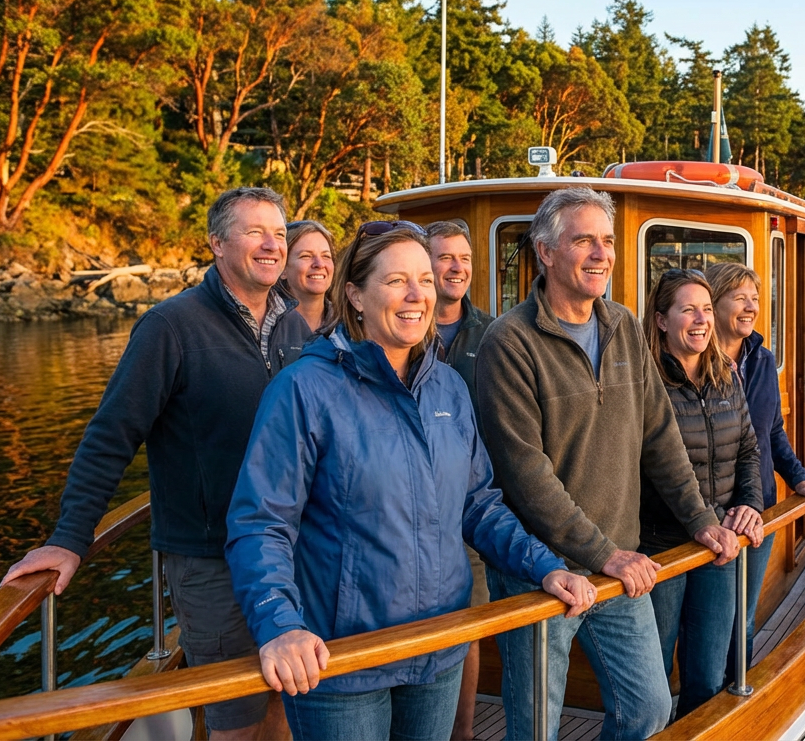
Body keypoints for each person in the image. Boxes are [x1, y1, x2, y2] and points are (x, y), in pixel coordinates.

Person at [225, 222, 597, 741]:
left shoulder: (447, 387)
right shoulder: (303, 390)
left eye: (424, 278)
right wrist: (280, 625)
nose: (417, 294)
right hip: (344, 660)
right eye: (397, 280)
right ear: (354, 295)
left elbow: (477, 504)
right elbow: (261, 523)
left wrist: (543, 566)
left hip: (438, 648)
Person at [0, 186, 310, 740]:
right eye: (255, 232)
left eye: (280, 234)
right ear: (217, 243)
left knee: (286, 701)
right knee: (234, 719)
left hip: (289, 549)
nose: (272, 245)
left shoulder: (293, 326)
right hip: (210, 557)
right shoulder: (171, 326)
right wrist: (71, 538)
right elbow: (112, 435)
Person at [474, 187, 745, 740]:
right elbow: (526, 475)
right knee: (537, 728)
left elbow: (659, 435)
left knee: (648, 707)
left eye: (607, 241)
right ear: (546, 252)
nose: (601, 253)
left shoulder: (623, 324)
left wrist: (701, 521)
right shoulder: (510, 342)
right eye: (584, 241)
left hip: (617, 564)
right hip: (540, 572)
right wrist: (605, 554)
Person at [641, 268, 764, 719]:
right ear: (660, 320)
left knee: (709, 677)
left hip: (719, 549)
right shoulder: (645, 383)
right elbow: (650, 468)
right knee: (652, 678)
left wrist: (748, 503)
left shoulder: (725, 375)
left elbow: (749, 448)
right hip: (664, 547)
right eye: (687, 309)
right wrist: (706, 519)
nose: (701, 320)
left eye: (707, 309)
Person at [704, 262, 805, 680]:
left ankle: (738, 692)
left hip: (761, 511)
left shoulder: (762, 359)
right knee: (711, 628)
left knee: (744, 618)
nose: (750, 306)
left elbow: (772, 431)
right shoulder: (696, 362)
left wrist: (799, 478)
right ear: (714, 302)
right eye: (739, 297)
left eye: (755, 298)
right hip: (715, 516)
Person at [424, 218, 496, 741]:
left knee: (467, 627)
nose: (457, 268)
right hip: (404, 507)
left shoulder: (493, 333)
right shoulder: (400, 327)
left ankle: (463, 733)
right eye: (445, 257)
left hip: (470, 507)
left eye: (465, 259)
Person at [278, 219, 336, 331]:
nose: (319, 264)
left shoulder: (348, 324)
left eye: (326, 256)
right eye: (306, 256)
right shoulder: (266, 324)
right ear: (283, 268)